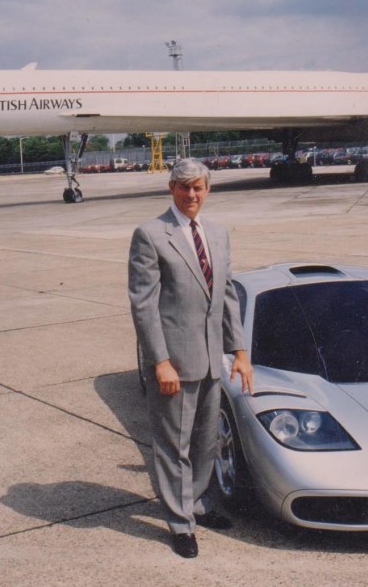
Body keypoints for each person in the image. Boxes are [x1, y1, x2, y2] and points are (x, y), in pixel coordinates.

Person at [128, 157, 253, 558]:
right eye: (184, 187)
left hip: (211, 359)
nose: (192, 194)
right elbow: (144, 306)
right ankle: (180, 523)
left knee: (205, 441)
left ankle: (196, 503)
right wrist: (159, 362)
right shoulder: (151, 235)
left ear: (208, 190)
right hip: (174, 363)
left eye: (198, 187)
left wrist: (240, 351)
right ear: (172, 189)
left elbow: (227, 296)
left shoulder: (217, 234)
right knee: (172, 445)